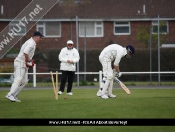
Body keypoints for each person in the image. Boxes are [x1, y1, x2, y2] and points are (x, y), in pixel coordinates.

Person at [5, 31, 44, 102]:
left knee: (25, 81)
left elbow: (26, 53)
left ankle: (14, 95)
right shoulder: (31, 43)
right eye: (40, 37)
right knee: (19, 78)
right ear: (36, 37)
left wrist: (29, 60)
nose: (41, 39)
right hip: (20, 62)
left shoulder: (32, 43)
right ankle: (10, 94)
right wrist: (29, 60)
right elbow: (25, 52)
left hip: (23, 63)